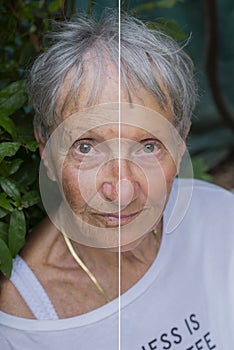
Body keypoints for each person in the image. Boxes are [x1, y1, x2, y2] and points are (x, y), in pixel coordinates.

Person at [0, 11, 233, 350]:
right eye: (86, 147)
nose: (121, 191)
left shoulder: (221, 221)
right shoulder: (22, 323)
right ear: (45, 149)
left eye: (148, 146)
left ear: (181, 142)